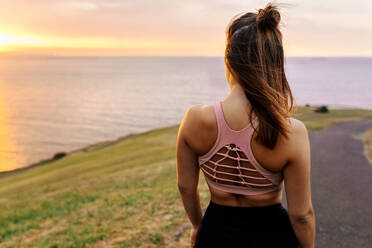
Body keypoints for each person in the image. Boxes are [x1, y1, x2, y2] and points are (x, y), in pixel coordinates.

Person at [176, 2, 315, 248]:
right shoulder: (290, 131)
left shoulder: (195, 119)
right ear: (275, 64)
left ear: (228, 60)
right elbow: (301, 215)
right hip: (271, 237)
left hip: (215, 233)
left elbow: (186, 187)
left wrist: (198, 226)